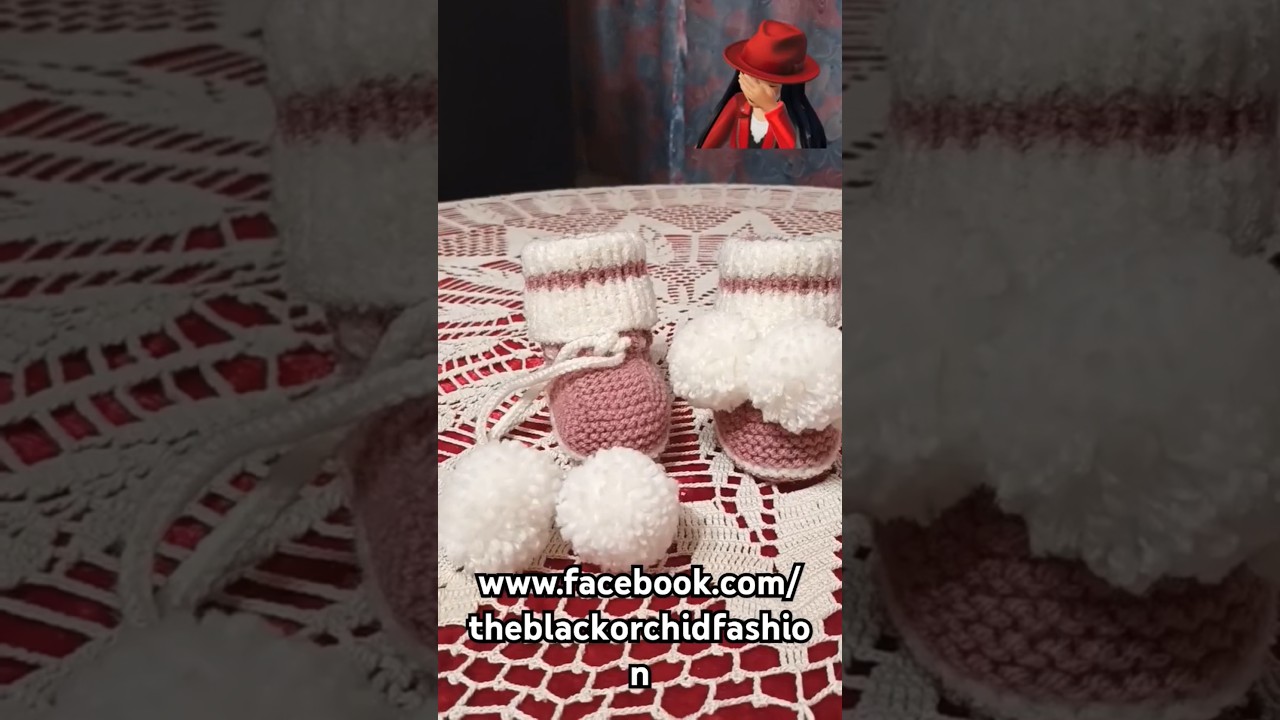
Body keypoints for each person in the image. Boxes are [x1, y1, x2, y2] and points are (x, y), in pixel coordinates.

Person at [696, 20, 826, 149]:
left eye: (771, 86)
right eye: (752, 82)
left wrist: (771, 108)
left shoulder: (793, 117)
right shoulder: (738, 104)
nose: (758, 91)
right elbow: (706, 146)